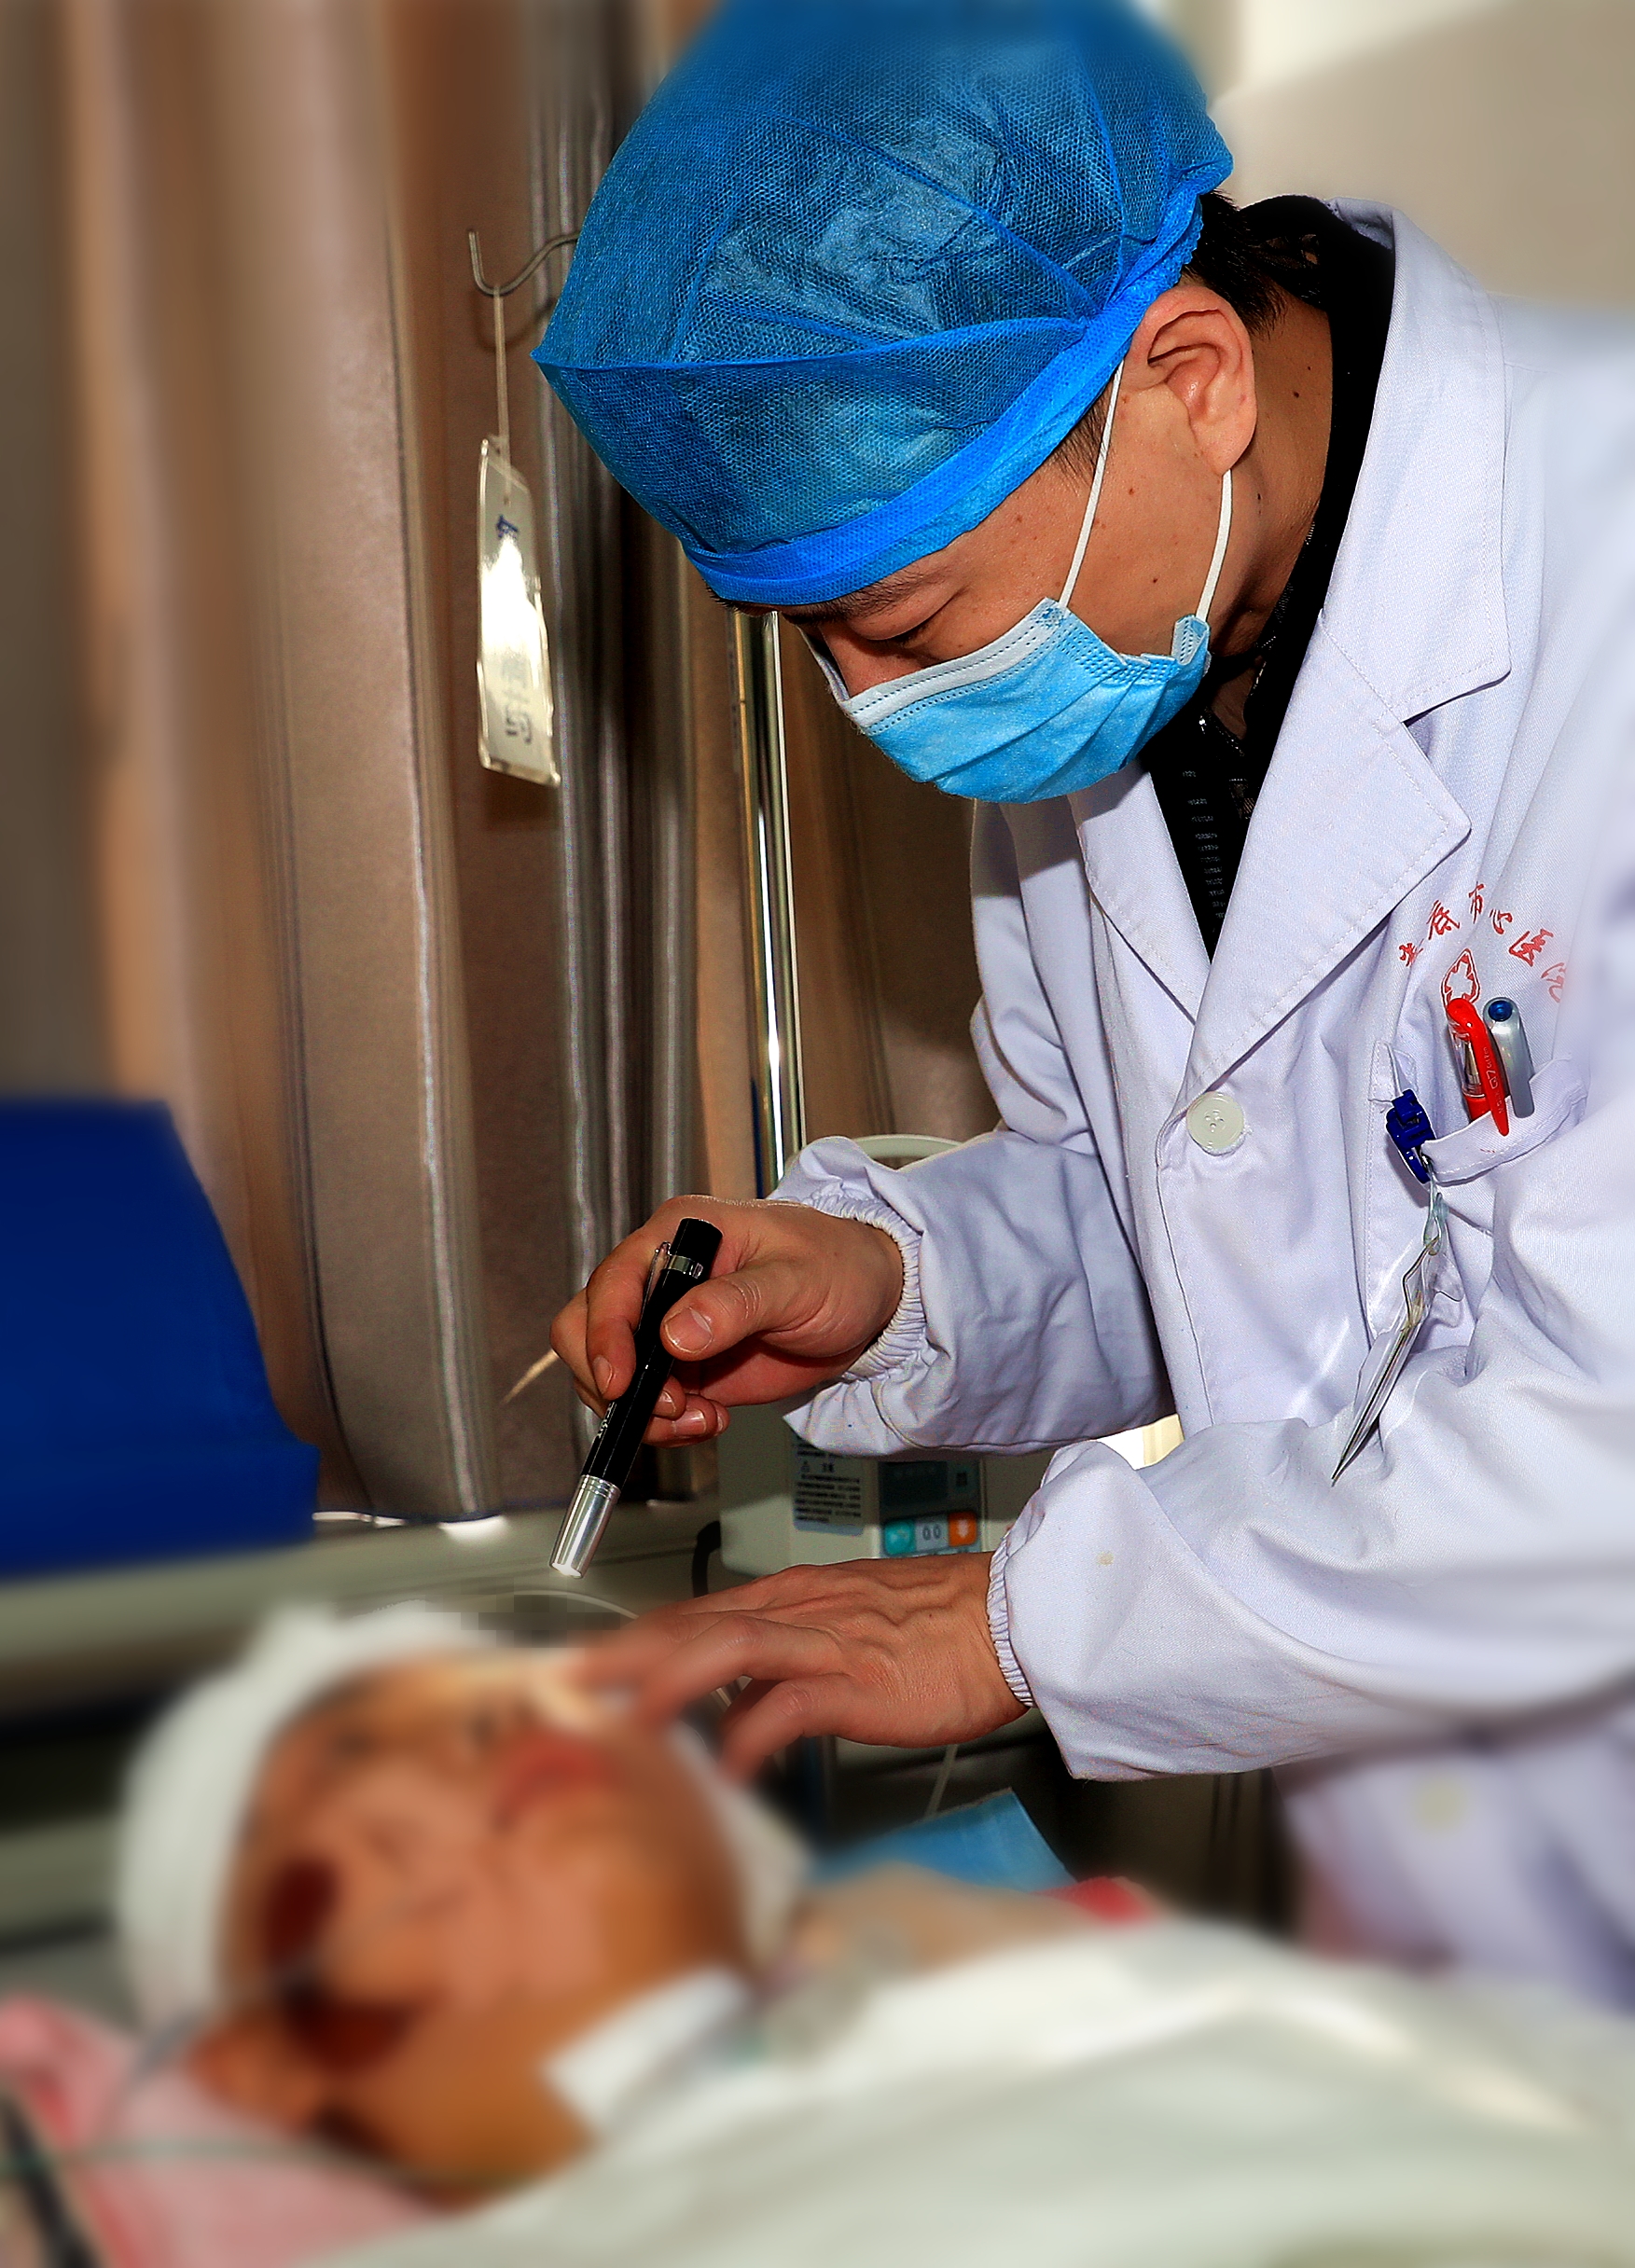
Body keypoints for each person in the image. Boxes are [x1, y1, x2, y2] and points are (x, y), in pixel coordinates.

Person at [537, 0, 1635, 2005]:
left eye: (902, 624)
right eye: (812, 641)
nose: (874, 708)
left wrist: (1029, 1629)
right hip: (1462, 1919)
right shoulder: (1133, 638)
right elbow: (1220, 1218)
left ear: (1187, 381)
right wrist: (900, 1282)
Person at [93, 1605, 1635, 2268]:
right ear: (271, 2070)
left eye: (504, 1723)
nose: (500, 1770)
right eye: (366, 1821)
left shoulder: (1084, 1992)